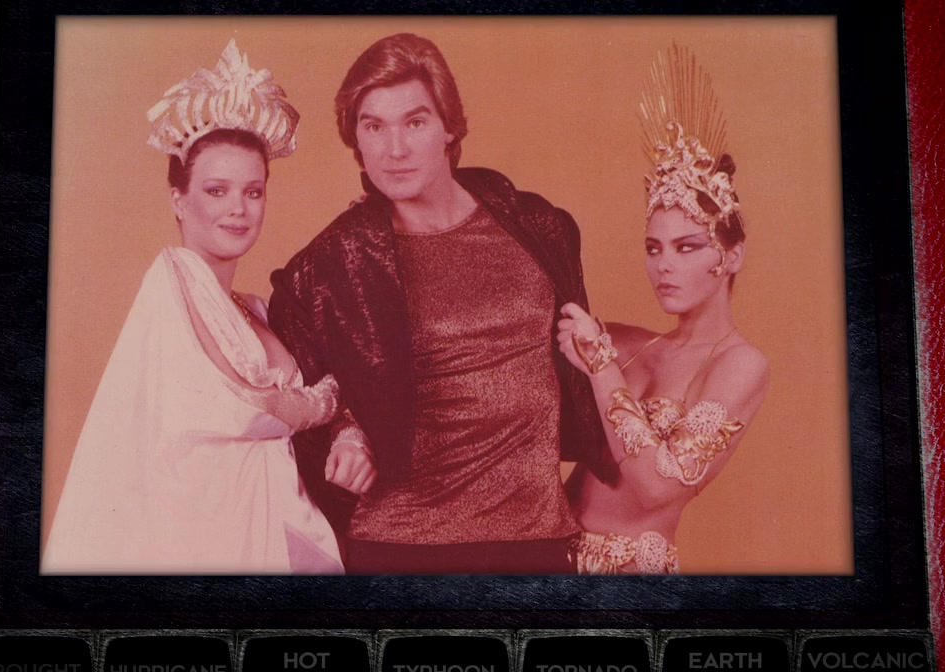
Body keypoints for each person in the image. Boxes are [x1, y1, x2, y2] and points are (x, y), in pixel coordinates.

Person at [268, 33, 616, 574]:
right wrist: (346, 432)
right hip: (401, 549)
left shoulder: (538, 227)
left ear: (449, 126)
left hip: (538, 542)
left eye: (415, 122)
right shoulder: (330, 265)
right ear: (356, 139)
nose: (395, 150)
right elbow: (307, 392)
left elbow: (581, 359)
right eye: (373, 127)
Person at [41, 40, 372, 575]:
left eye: (253, 192)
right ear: (179, 199)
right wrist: (332, 396)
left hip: (272, 513)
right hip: (208, 529)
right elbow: (248, 403)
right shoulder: (174, 278)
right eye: (217, 191)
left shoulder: (254, 308)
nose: (238, 209)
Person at [555, 45, 770, 574]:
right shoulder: (626, 340)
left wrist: (601, 366)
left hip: (627, 581)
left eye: (687, 247)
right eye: (654, 248)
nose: (663, 266)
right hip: (546, 562)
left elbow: (657, 486)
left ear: (731, 256)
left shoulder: (740, 365)